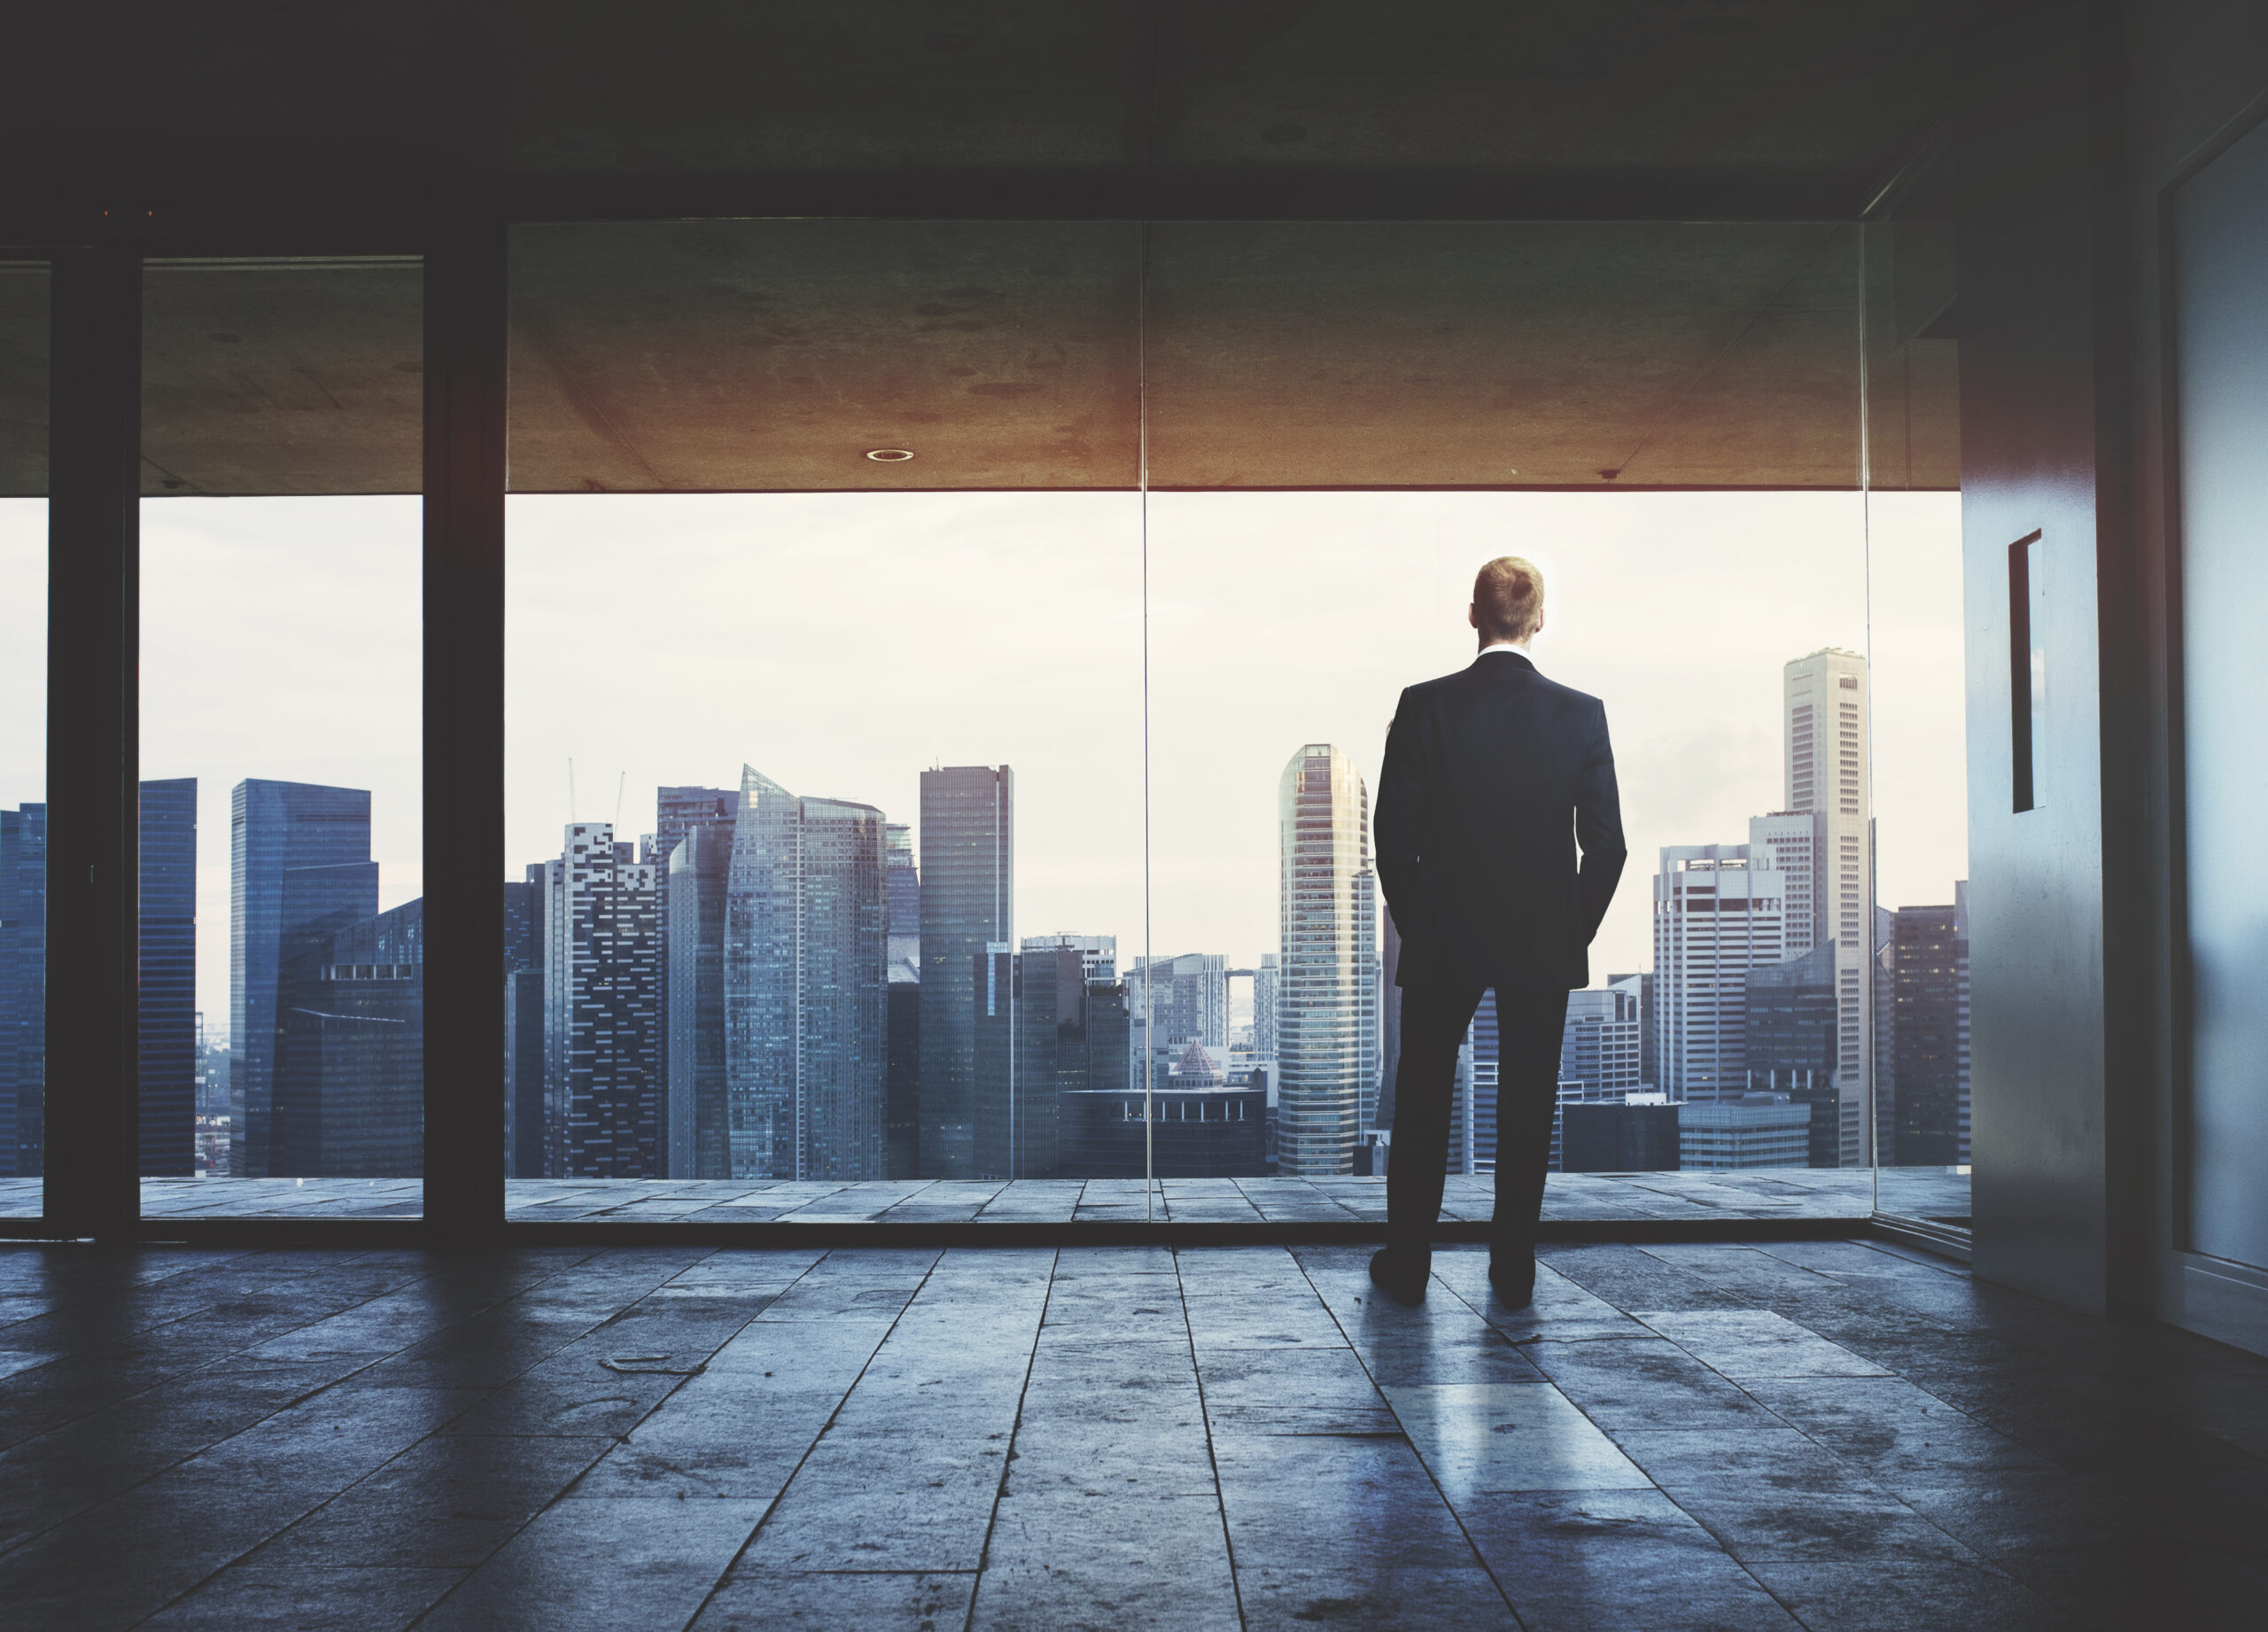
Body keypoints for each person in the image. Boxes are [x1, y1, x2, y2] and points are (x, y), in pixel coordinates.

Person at [1370, 555, 1626, 1308]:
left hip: (1444, 934)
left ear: (1473, 615)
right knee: (1526, 1105)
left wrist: (1424, 923)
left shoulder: (1424, 706)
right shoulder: (1583, 714)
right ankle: (1512, 1266)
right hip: (1541, 942)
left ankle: (1409, 1262)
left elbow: (1392, 837)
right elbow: (1606, 847)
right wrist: (1568, 931)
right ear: (1539, 619)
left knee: (1421, 1102)